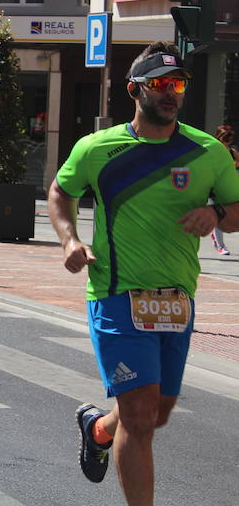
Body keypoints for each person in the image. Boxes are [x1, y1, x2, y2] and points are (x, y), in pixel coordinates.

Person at [47, 42, 239, 506]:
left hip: (176, 297)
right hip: (115, 293)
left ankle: (97, 429)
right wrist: (70, 240)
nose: (170, 93)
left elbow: (236, 212)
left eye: (176, 84)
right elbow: (59, 192)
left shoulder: (208, 151)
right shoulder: (98, 148)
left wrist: (215, 213)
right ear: (135, 90)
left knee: (158, 413)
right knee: (138, 413)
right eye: (159, 85)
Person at [210, 125, 239, 255]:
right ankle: (220, 245)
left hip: (227, 187)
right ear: (219, 137)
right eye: (225, 139)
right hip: (212, 187)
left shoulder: (232, 152)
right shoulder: (211, 149)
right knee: (218, 216)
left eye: (230, 140)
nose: (228, 142)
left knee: (223, 215)